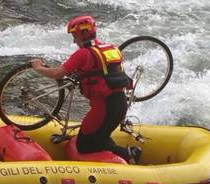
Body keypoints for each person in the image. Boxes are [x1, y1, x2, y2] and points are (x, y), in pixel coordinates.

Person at [30, 16, 141, 164]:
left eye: (75, 36)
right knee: (100, 136)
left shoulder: (83, 54)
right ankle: (126, 156)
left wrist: (38, 67)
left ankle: (129, 153)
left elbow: (57, 73)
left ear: (83, 33)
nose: (74, 41)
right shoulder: (109, 49)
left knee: (84, 145)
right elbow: (99, 71)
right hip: (119, 103)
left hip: (104, 108)